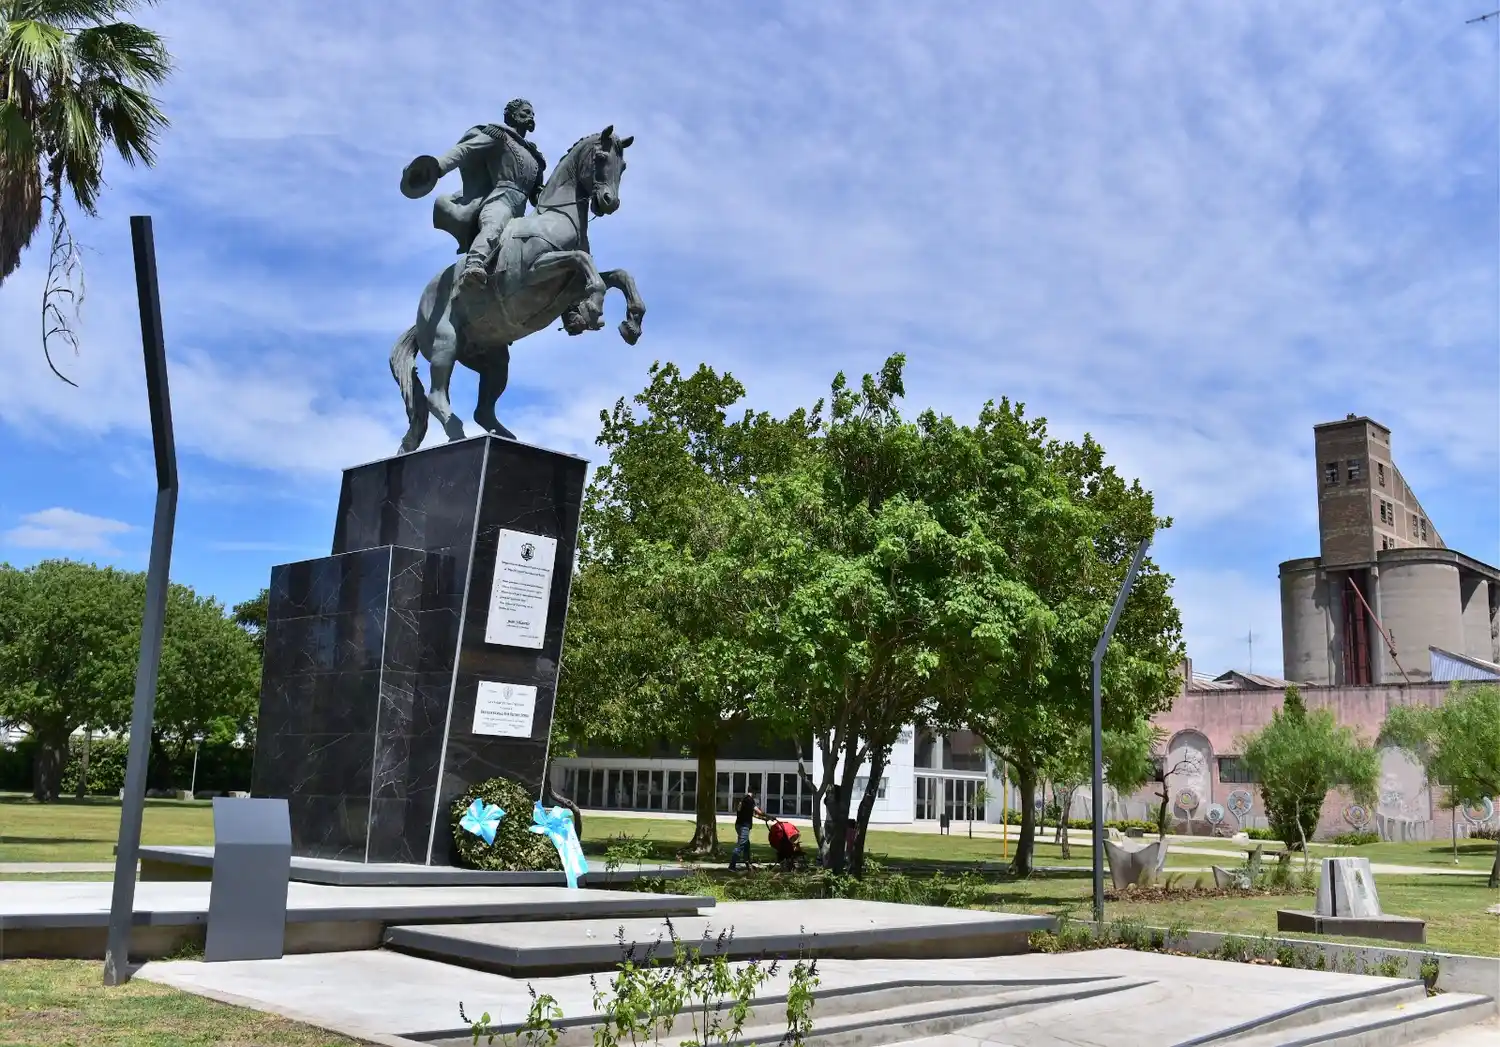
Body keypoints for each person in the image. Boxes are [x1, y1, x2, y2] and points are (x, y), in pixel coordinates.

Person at [402, 98, 548, 293]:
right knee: (494, 224)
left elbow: (536, 194)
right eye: (525, 112)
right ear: (512, 115)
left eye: (532, 113)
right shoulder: (499, 135)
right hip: (500, 200)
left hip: (521, 213)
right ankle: (473, 265)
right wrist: (438, 166)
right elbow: (465, 150)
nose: (530, 116)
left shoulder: (535, 157)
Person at [728, 791, 765, 871]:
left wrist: (765, 818)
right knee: (741, 845)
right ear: (754, 792)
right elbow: (758, 811)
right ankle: (732, 866)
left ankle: (748, 865)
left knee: (746, 845)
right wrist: (766, 815)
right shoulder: (750, 800)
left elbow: (753, 814)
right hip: (744, 826)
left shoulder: (743, 799)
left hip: (738, 824)